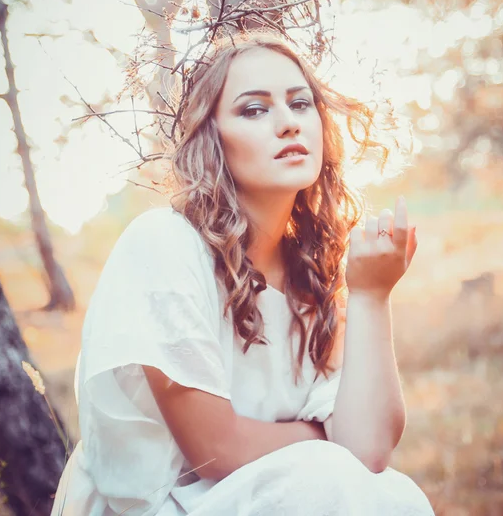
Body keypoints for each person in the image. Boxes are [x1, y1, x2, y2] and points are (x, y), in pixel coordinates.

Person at [51, 32, 434, 515]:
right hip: (165, 504)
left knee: (390, 494)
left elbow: (369, 450)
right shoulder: (163, 244)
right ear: (212, 139)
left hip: (285, 496)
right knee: (333, 477)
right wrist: (323, 436)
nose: (288, 123)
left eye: (301, 104)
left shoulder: (315, 271)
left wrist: (372, 296)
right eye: (254, 110)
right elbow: (216, 449)